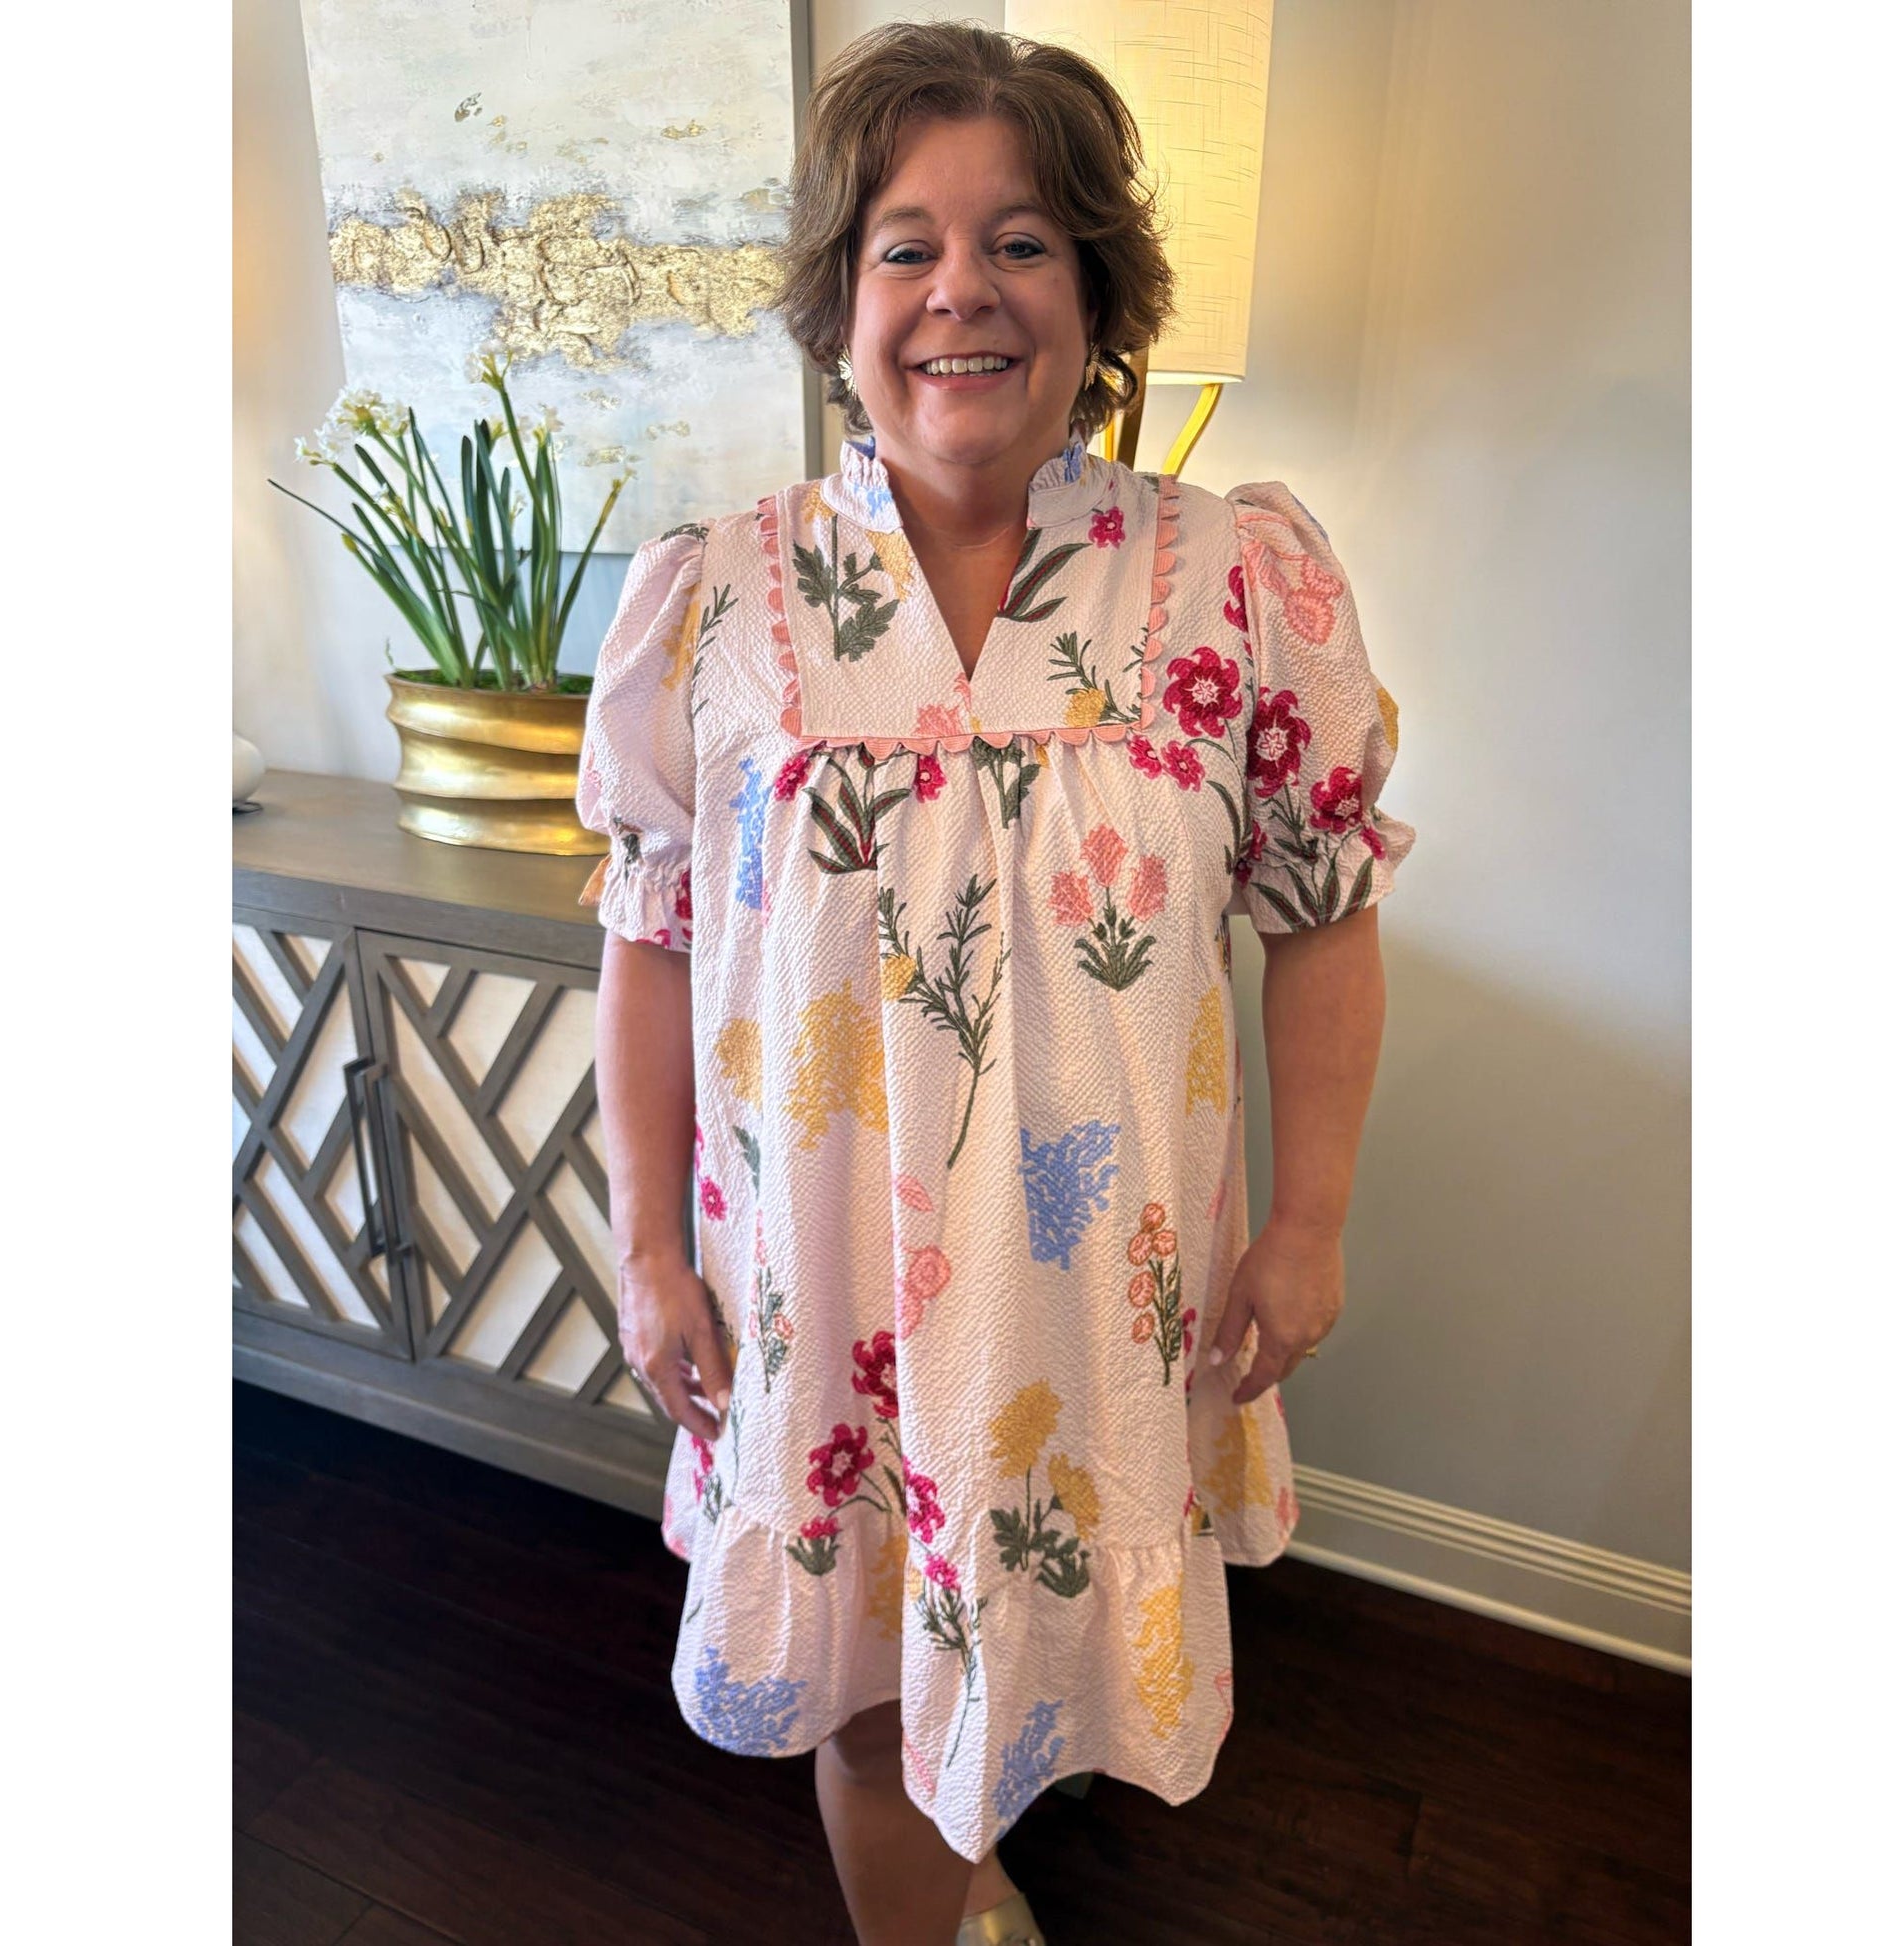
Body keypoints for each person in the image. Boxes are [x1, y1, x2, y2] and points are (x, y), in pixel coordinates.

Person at [576, 22, 1416, 1946]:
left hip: (1098, 1285)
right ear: (840, 297)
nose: (962, 288)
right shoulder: (716, 601)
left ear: (1096, 291)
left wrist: (1305, 1221)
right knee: (868, 1689)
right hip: (824, 1289)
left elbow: (1325, 907)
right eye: (905, 243)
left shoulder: (1233, 584)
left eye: (1024, 242)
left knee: (1054, 1644)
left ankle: (983, 1864)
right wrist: (643, 1242)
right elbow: (646, 940)